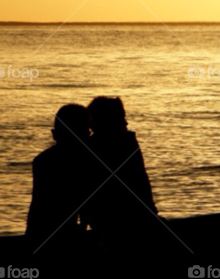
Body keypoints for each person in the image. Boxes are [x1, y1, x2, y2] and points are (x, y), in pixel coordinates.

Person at [82, 96, 167, 256]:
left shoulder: (102, 147)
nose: (126, 123)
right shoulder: (122, 143)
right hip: (125, 222)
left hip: (121, 224)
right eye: (123, 118)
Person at [26, 104, 94, 254]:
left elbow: (37, 206)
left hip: (41, 233)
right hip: (61, 237)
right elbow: (86, 207)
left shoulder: (42, 161)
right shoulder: (85, 161)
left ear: (54, 134)